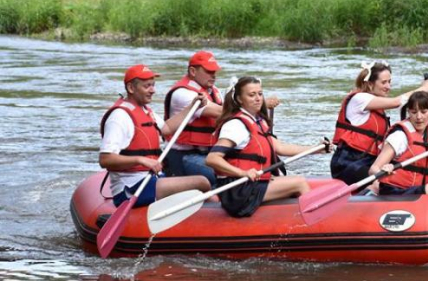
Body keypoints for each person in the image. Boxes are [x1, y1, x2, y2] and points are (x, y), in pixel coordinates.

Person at [205, 77, 332, 218]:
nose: (258, 98)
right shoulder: (236, 125)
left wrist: (316, 149)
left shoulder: (256, 121)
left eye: (260, 94)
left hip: (250, 184)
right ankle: (318, 224)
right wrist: (242, 173)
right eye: (251, 95)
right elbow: (212, 159)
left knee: (295, 182)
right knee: (300, 183)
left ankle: (297, 223)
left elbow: (281, 148)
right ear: (240, 99)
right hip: (237, 190)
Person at [99, 64, 211, 208]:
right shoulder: (120, 117)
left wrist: (193, 107)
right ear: (131, 88)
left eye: (153, 85)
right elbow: (105, 159)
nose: (153, 90)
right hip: (131, 188)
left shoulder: (145, 111)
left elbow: (167, 128)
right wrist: (140, 160)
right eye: (147, 86)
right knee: (202, 182)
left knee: (211, 196)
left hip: (150, 180)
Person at [163, 50, 280, 186]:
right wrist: (261, 103)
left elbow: (232, 114)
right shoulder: (182, 94)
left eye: (214, 71)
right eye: (208, 71)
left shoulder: (214, 91)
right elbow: (221, 111)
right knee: (232, 173)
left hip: (206, 153)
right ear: (193, 71)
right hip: (183, 156)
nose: (213, 75)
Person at [331, 60, 428, 185]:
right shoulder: (359, 99)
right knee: (385, 182)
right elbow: (396, 102)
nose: (388, 87)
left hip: (368, 161)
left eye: (389, 82)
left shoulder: (375, 105)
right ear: (369, 84)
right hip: (348, 163)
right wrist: (423, 89)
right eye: (383, 82)